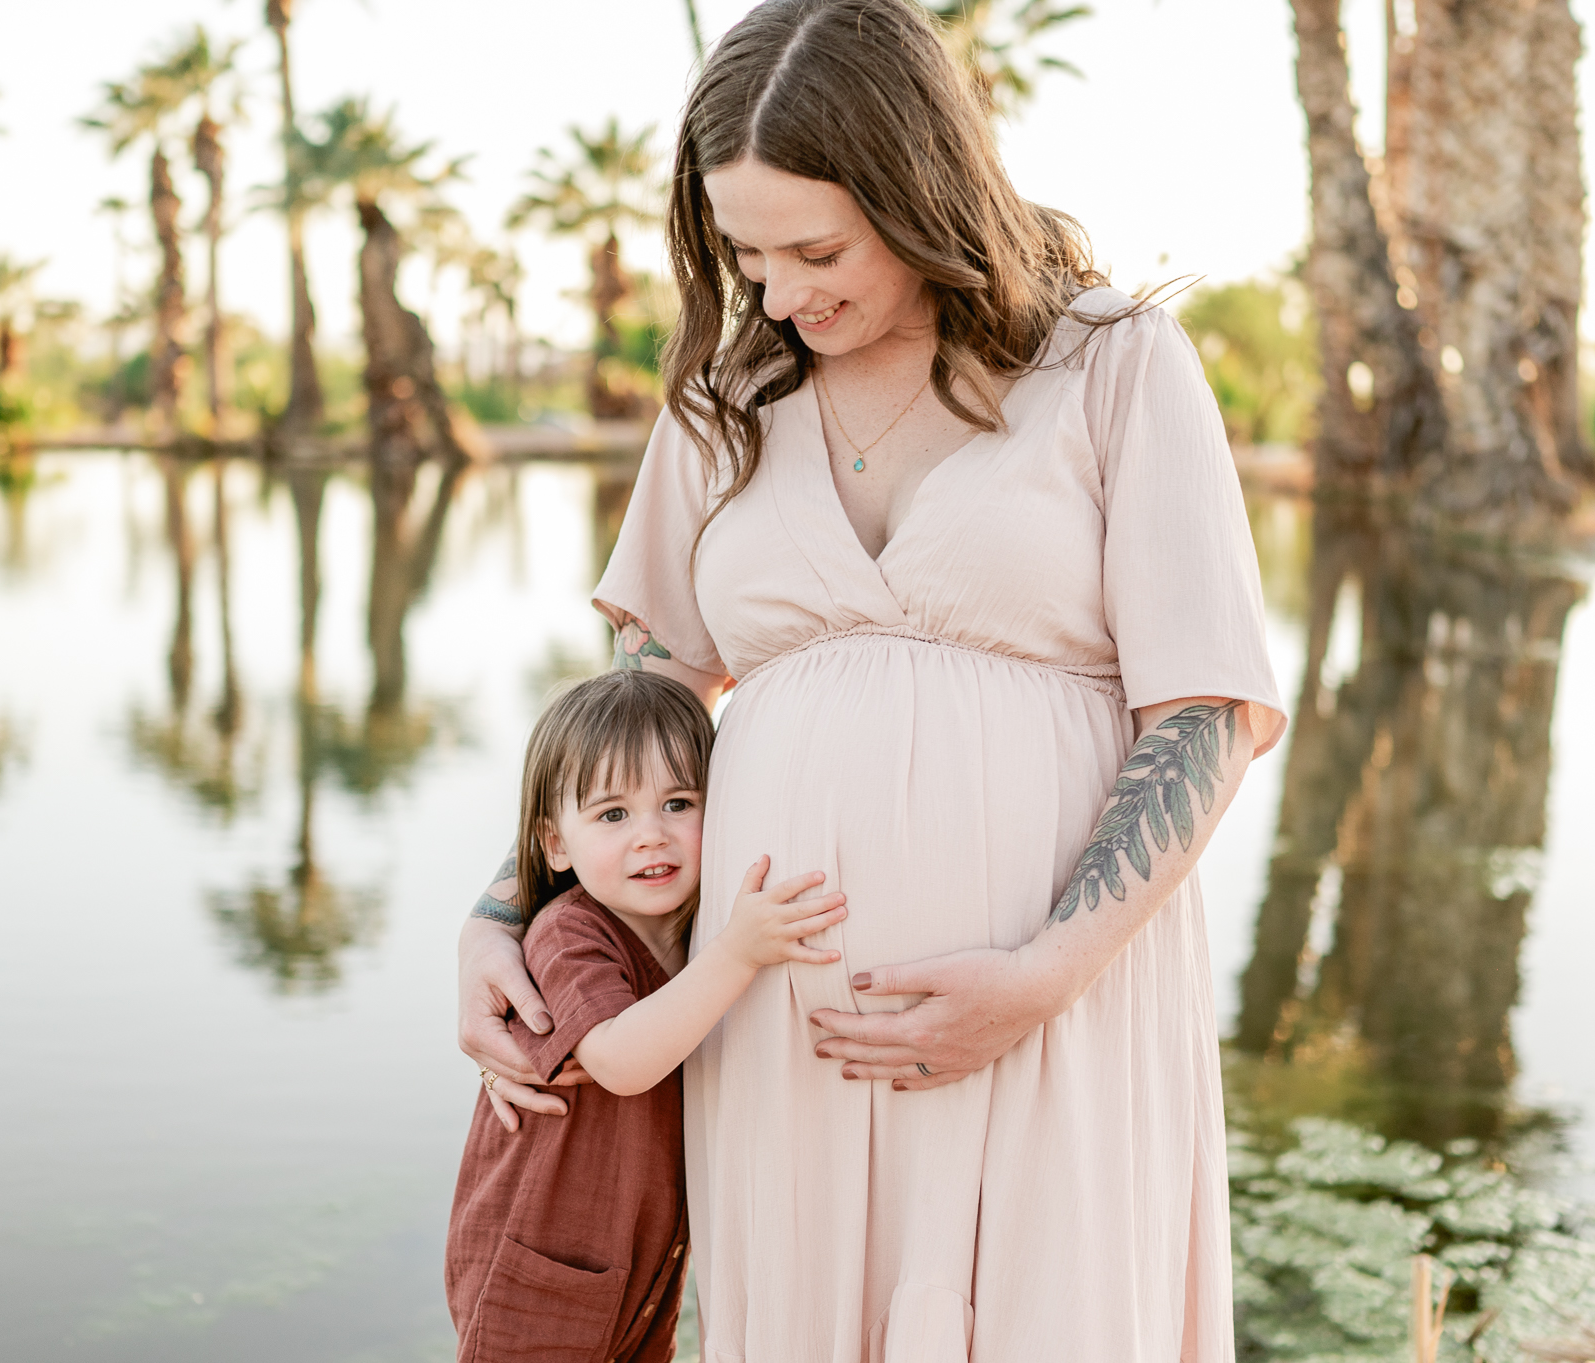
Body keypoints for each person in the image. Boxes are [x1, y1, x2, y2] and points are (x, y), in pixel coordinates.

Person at [457, 0, 1288, 1357]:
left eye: (817, 247)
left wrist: (1042, 973)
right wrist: (503, 911)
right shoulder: (723, 411)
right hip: (785, 1031)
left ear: (921, 189)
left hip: (1053, 1011)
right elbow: (641, 712)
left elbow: (1200, 712)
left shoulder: (1113, 366)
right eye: (745, 252)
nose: (780, 292)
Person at [445, 670, 848, 1362]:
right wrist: (738, 952)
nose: (651, 836)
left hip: (639, 1276)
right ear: (554, 844)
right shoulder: (568, 933)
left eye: (678, 802)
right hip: (540, 1273)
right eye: (613, 814)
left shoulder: (690, 931)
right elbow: (620, 1059)